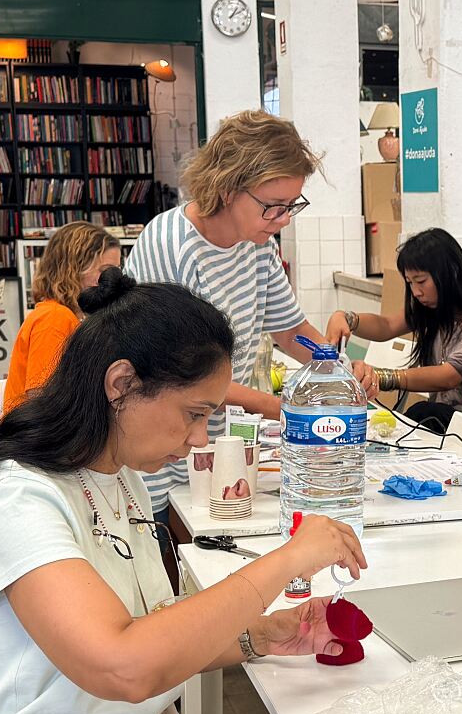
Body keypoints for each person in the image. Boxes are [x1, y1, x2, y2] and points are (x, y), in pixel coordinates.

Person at [0, 269, 368, 714]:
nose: (200, 438)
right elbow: (124, 667)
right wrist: (287, 560)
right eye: (194, 413)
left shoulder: (119, 475)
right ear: (121, 384)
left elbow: (154, 632)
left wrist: (260, 634)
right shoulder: (14, 499)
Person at [125, 110, 377, 522]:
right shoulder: (170, 245)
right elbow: (183, 374)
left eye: (291, 206)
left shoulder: (257, 246)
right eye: (273, 207)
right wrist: (286, 408)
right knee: (165, 540)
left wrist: (341, 373)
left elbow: (291, 330)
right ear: (227, 188)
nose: (283, 220)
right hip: (157, 453)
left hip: (212, 445)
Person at [325, 228, 462, 433]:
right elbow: (386, 325)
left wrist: (378, 377)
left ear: (451, 272)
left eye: (421, 281)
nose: (416, 292)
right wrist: (346, 318)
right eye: (410, 283)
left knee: (422, 412)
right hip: (439, 424)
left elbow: (449, 375)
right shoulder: (434, 309)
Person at [3, 221, 121, 413]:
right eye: (104, 270)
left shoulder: (68, 316)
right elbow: (42, 401)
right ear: (72, 269)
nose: (113, 279)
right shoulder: (54, 318)